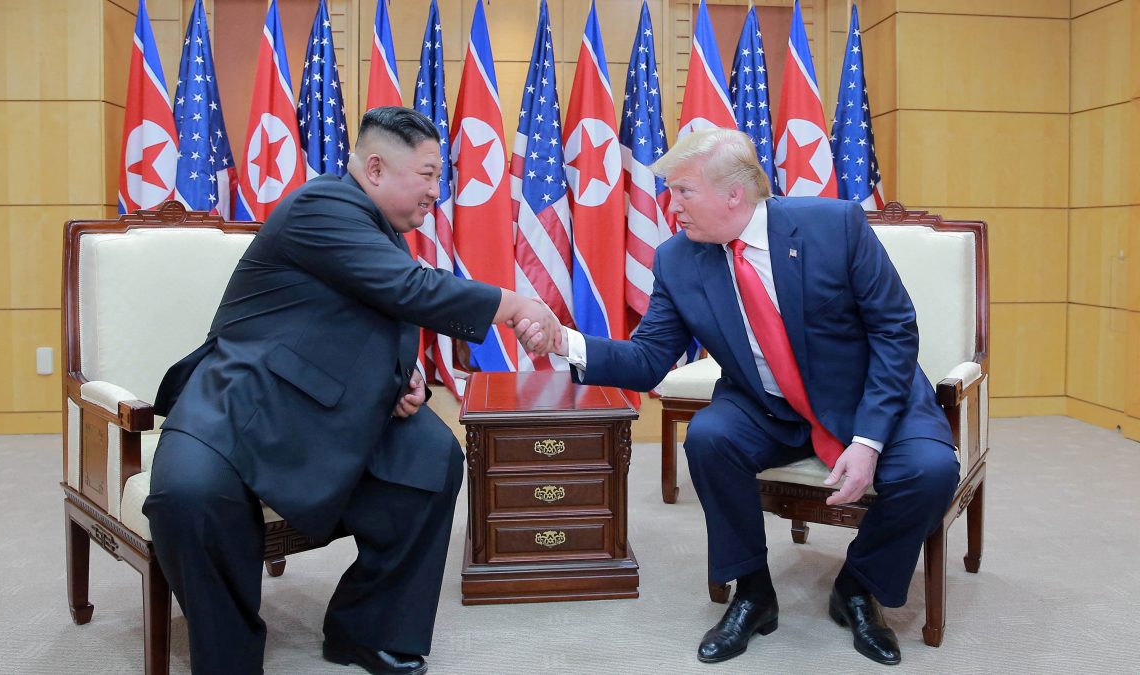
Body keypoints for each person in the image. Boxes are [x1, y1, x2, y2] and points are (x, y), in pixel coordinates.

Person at [144, 106, 560, 675]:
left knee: (432, 460)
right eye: (429, 174)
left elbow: (365, 324)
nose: (438, 191)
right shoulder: (324, 205)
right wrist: (515, 306)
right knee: (187, 497)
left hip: (328, 403)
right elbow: (408, 290)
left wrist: (404, 381)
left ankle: (366, 630)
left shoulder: (380, 230)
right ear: (375, 168)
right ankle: (229, 657)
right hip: (244, 399)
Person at [527, 128, 959, 666]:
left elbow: (895, 329)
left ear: (734, 194)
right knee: (709, 438)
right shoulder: (678, 260)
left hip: (867, 397)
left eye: (683, 190)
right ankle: (753, 591)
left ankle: (856, 584)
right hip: (767, 406)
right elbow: (646, 360)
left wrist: (869, 439)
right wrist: (560, 340)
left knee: (931, 471)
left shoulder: (834, 226)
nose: (670, 204)